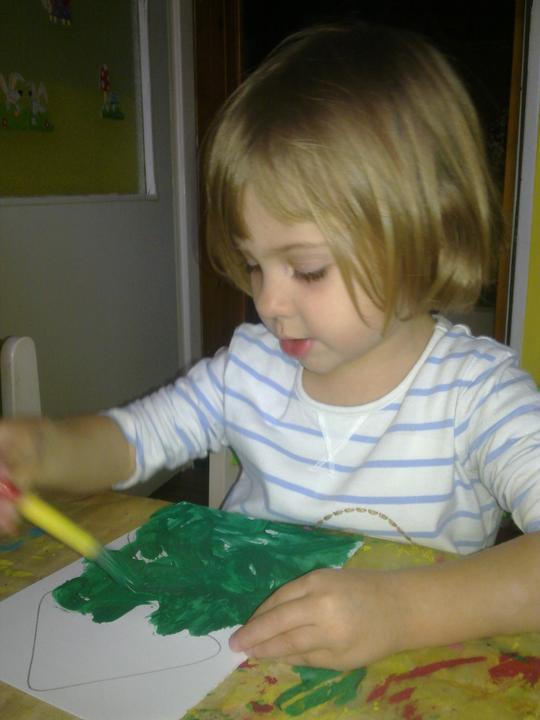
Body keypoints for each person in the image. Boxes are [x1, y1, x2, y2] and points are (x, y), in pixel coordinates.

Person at [1, 21, 540, 671]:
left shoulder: (477, 397)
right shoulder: (249, 371)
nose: (270, 302)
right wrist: (41, 451)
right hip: (231, 671)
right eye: (256, 265)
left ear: (425, 239)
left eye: (307, 269)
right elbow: (133, 439)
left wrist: (402, 611)